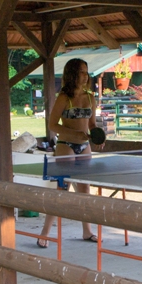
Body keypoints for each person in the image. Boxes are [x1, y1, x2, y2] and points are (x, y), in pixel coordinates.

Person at [37, 58, 101, 247]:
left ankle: (87, 231)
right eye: (81, 72)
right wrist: (74, 134)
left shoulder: (90, 98)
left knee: (84, 189)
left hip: (84, 146)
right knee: (62, 189)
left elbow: (92, 124)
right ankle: (45, 233)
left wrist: (98, 135)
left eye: (86, 72)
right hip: (66, 145)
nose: (85, 76)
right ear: (72, 74)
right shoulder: (64, 98)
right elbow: (52, 125)